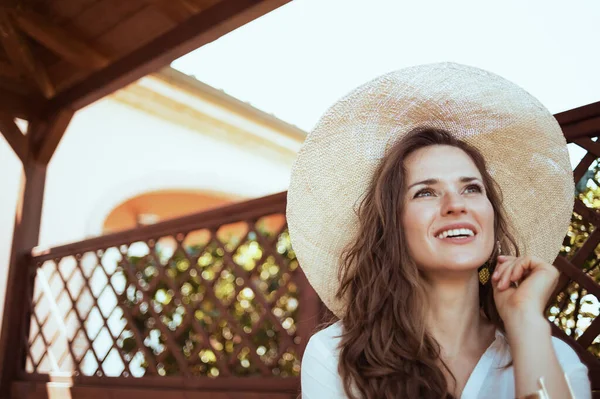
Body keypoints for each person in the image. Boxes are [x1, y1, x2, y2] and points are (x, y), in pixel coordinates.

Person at [286, 63, 592, 399]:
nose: (455, 204)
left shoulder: (553, 361)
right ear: (393, 227)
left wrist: (526, 324)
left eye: (472, 188)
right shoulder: (335, 355)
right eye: (426, 192)